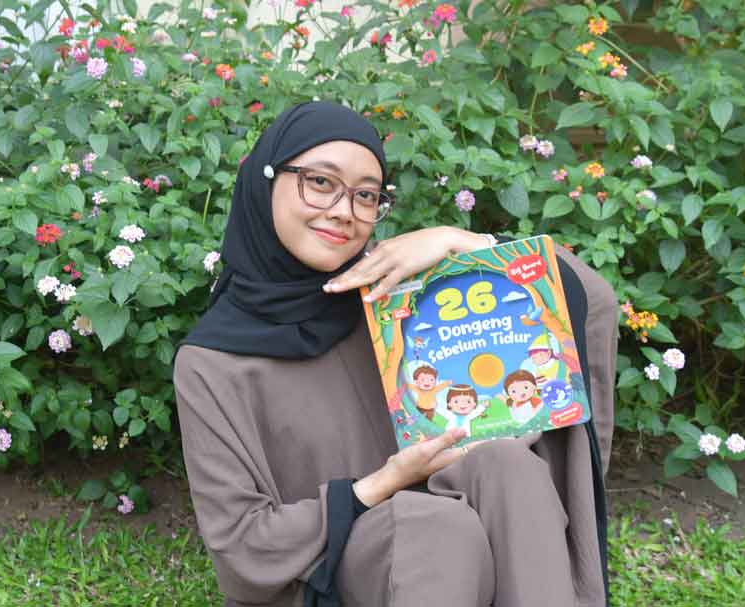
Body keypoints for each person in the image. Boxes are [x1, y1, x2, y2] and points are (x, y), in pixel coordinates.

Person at [173, 101, 618, 607]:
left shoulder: (399, 303)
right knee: (428, 524)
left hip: (462, 521)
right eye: (320, 182)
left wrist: (463, 241)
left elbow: (593, 302)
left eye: (366, 195)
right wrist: (388, 481)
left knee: (506, 464)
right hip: (329, 575)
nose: (343, 210)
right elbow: (241, 546)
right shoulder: (213, 362)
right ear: (265, 180)